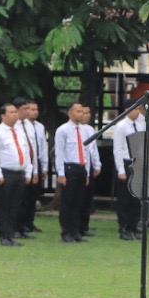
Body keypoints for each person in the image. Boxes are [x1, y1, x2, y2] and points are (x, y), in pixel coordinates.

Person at [55, 103, 100, 243]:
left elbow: (87, 152)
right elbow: (59, 152)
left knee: (78, 202)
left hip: (81, 168)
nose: (81, 114)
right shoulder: (63, 130)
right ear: (69, 113)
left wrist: (87, 173)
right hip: (69, 168)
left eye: (82, 111)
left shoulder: (86, 130)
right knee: (67, 201)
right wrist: (61, 173)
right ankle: (66, 231)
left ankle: (76, 231)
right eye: (78, 111)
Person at [0, 103, 30, 246]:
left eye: (16, 112)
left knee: (14, 206)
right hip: (5, 174)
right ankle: (3, 236)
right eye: (11, 112)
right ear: (3, 115)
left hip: (19, 173)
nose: (15, 114)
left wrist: (28, 171)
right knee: (4, 206)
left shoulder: (19, 131)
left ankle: (11, 235)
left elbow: (26, 152)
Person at [110, 105, 149, 241]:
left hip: (138, 162)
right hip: (126, 162)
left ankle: (133, 226)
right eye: (135, 109)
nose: (138, 112)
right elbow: (117, 149)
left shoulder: (140, 125)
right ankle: (124, 227)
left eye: (139, 110)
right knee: (125, 198)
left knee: (136, 198)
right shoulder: (121, 126)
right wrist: (121, 170)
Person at [13, 98, 46, 236]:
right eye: (26, 109)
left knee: (30, 197)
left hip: (31, 164)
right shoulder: (13, 126)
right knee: (19, 199)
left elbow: (34, 148)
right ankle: (17, 226)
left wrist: (36, 169)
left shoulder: (30, 126)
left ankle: (26, 224)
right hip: (18, 166)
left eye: (31, 109)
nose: (29, 112)